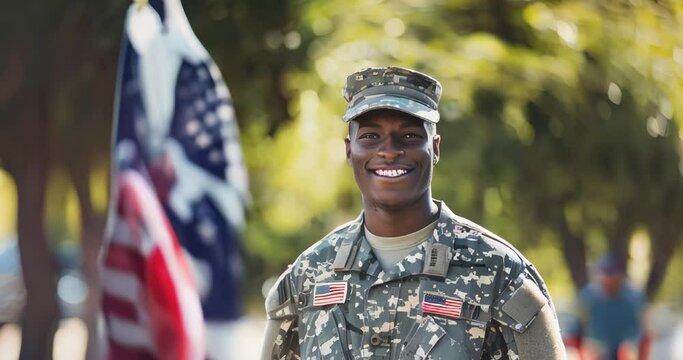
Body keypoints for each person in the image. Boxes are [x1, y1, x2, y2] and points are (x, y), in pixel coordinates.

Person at [261, 66, 566, 359]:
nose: (390, 150)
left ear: (434, 149)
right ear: (349, 150)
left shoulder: (499, 272)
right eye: (370, 136)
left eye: (409, 136)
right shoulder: (310, 274)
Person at [577, 253, 649, 360]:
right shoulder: (589, 296)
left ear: (620, 277)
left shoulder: (634, 297)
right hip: (597, 348)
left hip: (627, 348)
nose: (608, 281)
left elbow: (645, 330)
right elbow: (579, 328)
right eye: (604, 276)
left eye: (612, 277)